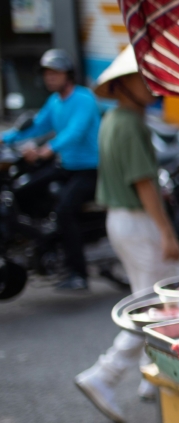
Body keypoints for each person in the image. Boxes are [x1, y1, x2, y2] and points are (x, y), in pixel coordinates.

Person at [73, 47, 179, 423]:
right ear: (122, 85)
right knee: (152, 307)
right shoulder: (130, 124)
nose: (151, 85)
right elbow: (144, 184)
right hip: (137, 220)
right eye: (142, 77)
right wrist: (167, 232)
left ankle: (153, 378)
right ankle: (105, 374)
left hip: (121, 220)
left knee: (149, 300)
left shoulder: (114, 119)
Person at [0, 49, 101, 291]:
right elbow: (35, 126)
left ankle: (78, 273)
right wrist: (5, 138)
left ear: (68, 74)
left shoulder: (84, 98)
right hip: (64, 167)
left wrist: (48, 149)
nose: (50, 78)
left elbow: (74, 132)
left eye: (55, 73)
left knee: (65, 211)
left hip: (89, 170)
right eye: (47, 73)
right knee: (21, 191)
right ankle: (40, 240)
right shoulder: (55, 102)